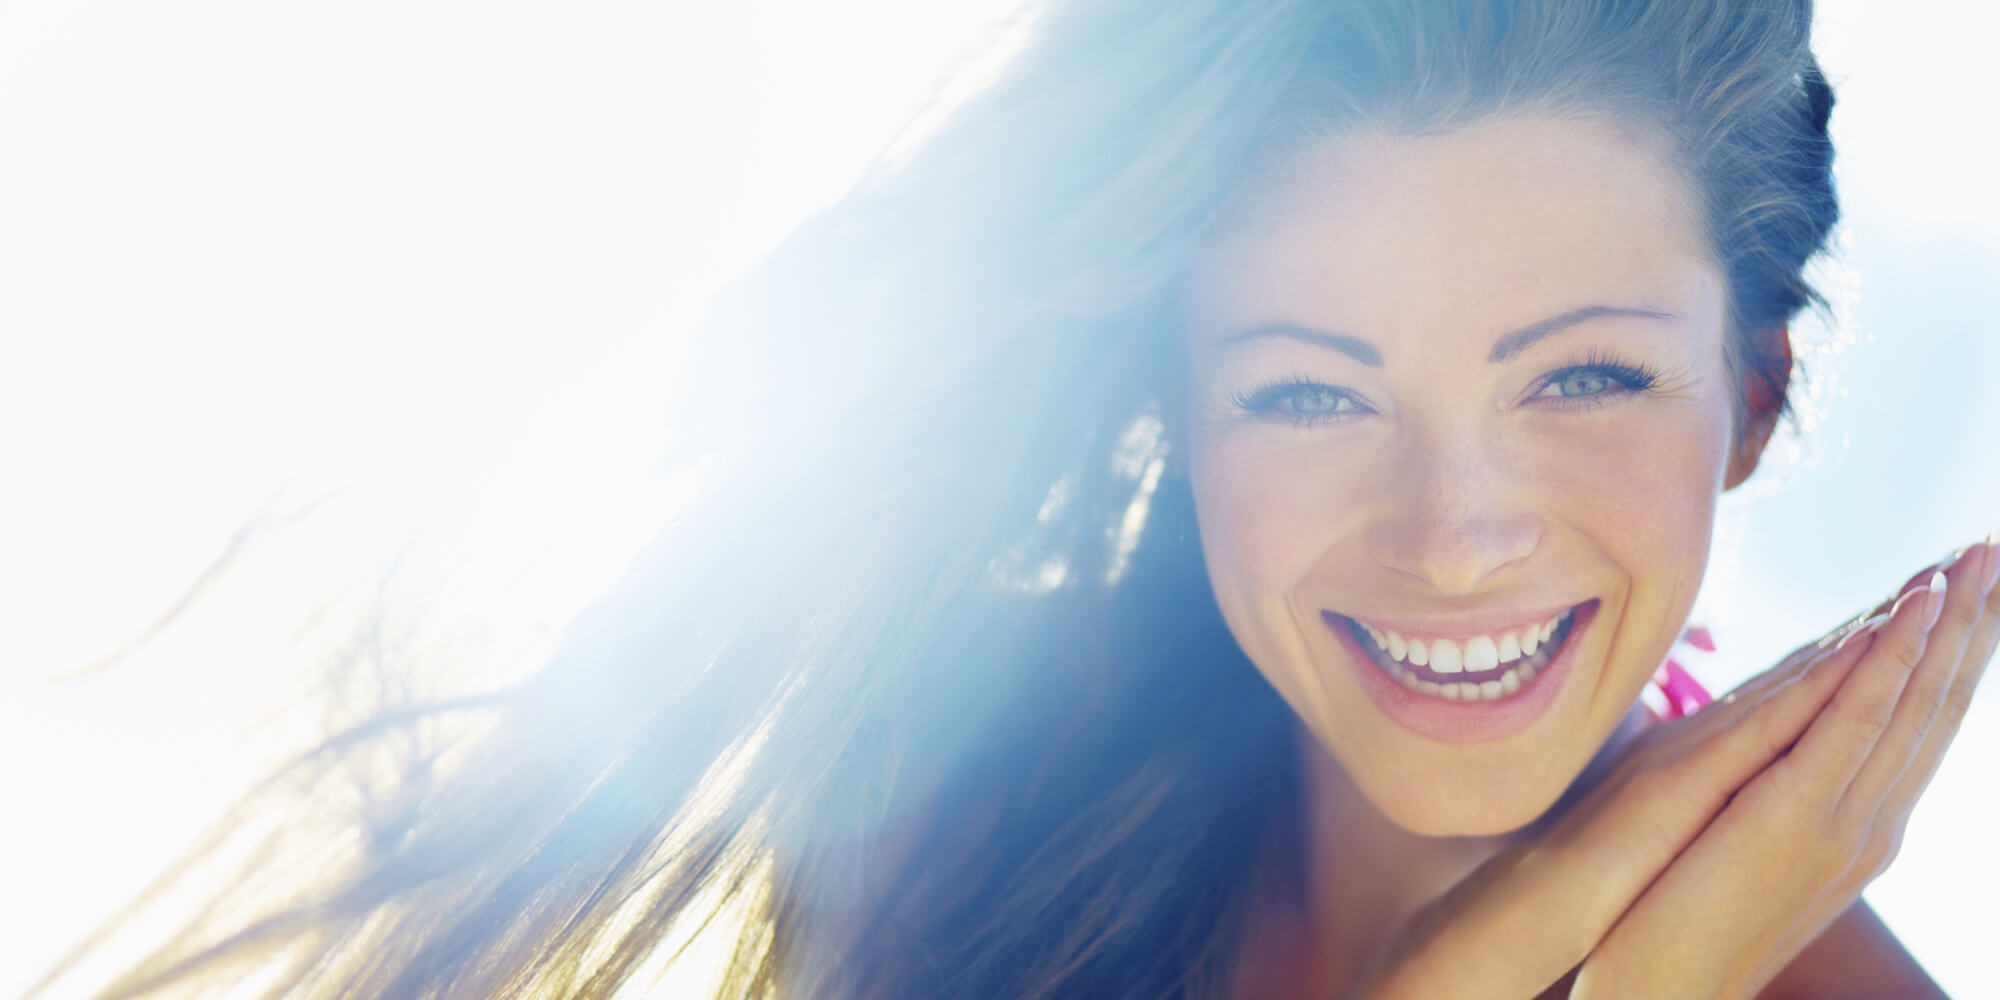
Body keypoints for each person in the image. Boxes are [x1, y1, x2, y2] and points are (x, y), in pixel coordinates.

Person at [51, 0, 1995, 997]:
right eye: (1308, 388)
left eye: (1579, 375)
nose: (1452, 529)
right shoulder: (975, 787)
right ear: (1183, 404)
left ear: (1751, 397)